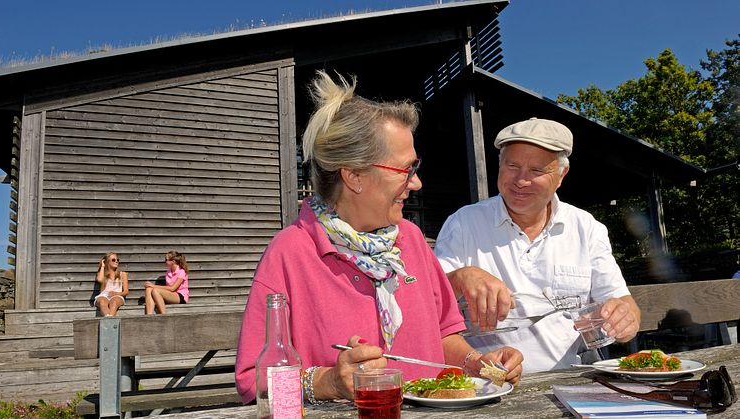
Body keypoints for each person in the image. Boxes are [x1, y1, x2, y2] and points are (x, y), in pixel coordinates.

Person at [235, 71, 523, 404]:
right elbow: (252, 383)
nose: (417, 183)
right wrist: (329, 382)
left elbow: (442, 335)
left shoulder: (411, 240)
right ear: (354, 176)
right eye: (407, 170)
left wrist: (476, 362)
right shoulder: (290, 252)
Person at [434, 117, 641, 373]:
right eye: (512, 166)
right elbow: (427, 303)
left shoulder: (586, 227)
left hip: (568, 377)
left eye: (536, 171)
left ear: (561, 175)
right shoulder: (463, 223)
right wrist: (460, 277)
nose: (521, 180)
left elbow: (622, 302)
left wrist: (625, 318)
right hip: (487, 381)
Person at [94, 252, 129, 316]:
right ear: (107, 262)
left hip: (117, 295)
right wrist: (102, 266)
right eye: (113, 260)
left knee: (114, 302)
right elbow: (100, 279)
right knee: (102, 302)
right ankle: (110, 322)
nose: (116, 261)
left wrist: (116, 293)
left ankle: (109, 322)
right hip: (103, 295)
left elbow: (126, 291)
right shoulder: (103, 273)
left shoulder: (122, 274)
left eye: (117, 260)